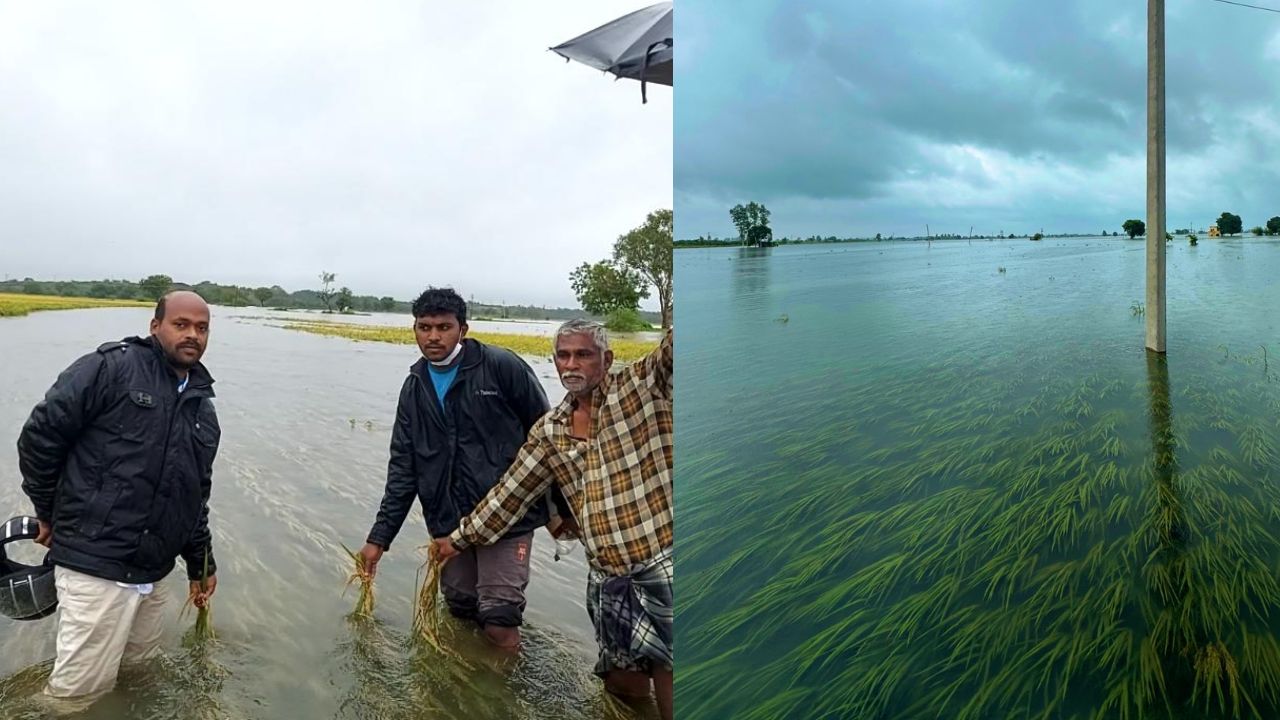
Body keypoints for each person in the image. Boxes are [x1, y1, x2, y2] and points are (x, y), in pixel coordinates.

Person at [436, 319, 673, 720]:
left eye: (583, 354)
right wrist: (456, 540)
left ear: (607, 359)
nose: (571, 364)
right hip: (607, 577)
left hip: (663, 564)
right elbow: (510, 494)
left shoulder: (642, 387)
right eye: (563, 355)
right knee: (622, 687)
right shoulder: (550, 430)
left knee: (671, 674)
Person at [16, 290, 220, 702]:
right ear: (155, 326)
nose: (192, 335)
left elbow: (194, 496)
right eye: (181, 324)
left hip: (153, 572)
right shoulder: (111, 368)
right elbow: (40, 437)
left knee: (138, 676)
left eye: (201, 328)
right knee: (74, 697)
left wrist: (201, 563)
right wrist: (48, 513)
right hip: (96, 566)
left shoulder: (202, 408)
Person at [357, 287, 556, 648]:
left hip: (506, 519)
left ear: (463, 329)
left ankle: (501, 700)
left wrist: (560, 510)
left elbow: (548, 436)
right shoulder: (414, 388)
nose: (433, 336)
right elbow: (404, 468)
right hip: (448, 521)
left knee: (499, 618)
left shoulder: (500, 367)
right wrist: (379, 539)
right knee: (461, 611)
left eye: (444, 327)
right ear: (414, 329)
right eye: (424, 327)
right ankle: (464, 694)